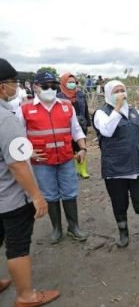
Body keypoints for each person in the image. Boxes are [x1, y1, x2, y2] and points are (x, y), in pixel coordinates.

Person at [0, 58, 60, 306]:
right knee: (17, 244)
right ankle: (26, 295)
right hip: (10, 196)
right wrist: (36, 195)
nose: (16, 88)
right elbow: (15, 163)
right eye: (14, 83)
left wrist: (25, 152)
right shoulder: (5, 118)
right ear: (3, 87)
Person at [17, 71, 88, 245]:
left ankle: (73, 226)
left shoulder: (66, 106)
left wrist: (83, 147)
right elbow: (17, 136)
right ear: (35, 87)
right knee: (50, 195)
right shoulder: (25, 109)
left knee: (70, 192)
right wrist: (28, 152)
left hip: (65, 158)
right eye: (46, 86)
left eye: (54, 86)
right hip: (42, 162)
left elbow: (76, 130)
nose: (50, 89)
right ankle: (56, 228)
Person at [93, 80, 139, 253]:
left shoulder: (133, 111)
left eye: (122, 90)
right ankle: (123, 233)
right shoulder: (101, 113)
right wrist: (117, 108)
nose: (120, 93)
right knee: (119, 203)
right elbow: (107, 130)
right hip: (114, 168)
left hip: (136, 166)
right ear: (108, 94)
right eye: (116, 91)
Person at [57, 73, 91, 179]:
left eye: (73, 82)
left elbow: (85, 108)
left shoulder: (80, 94)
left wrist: (88, 123)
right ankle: (73, 170)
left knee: (81, 147)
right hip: (66, 126)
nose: (72, 84)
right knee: (69, 148)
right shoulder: (59, 96)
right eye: (69, 82)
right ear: (63, 83)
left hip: (81, 124)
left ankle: (83, 170)